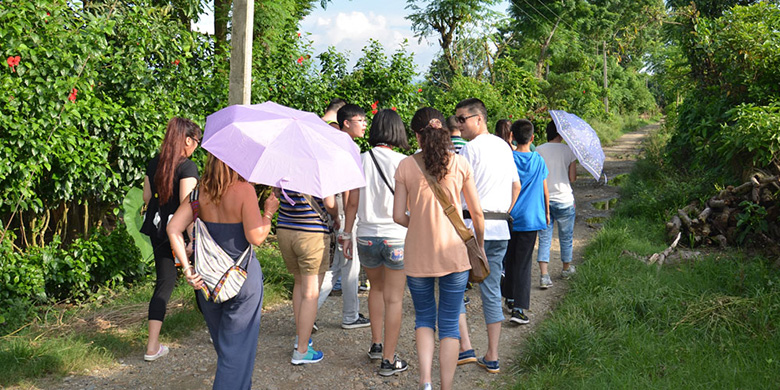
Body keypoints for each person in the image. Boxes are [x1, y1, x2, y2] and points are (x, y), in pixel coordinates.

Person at [167, 153, 279, 389]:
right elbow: (256, 237)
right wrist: (268, 212)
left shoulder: (199, 193)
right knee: (235, 354)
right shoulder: (243, 190)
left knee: (227, 351)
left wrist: (187, 269)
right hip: (242, 278)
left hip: (206, 282)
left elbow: (173, 228)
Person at [393, 107, 484, 390]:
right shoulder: (459, 164)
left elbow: (397, 216)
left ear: (417, 135)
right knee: (448, 323)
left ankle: (425, 382)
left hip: (418, 255)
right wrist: (477, 244)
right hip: (455, 253)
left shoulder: (406, 166)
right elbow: (477, 214)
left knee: (423, 319)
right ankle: (446, 386)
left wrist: (420, 224)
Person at [454, 98, 520, 374]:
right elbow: (516, 186)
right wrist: (503, 212)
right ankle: (492, 355)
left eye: (462, 119)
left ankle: (465, 347)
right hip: (500, 228)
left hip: (470, 229)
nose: (458, 125)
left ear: (478, 119)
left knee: (455, 287)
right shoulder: (504, 147)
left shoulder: (470, 150)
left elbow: (457, 191)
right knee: (491, 290)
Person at [342, 109, 410, 376]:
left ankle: (376, 344)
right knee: (394, 299)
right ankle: (389, 360)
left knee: (375, 289)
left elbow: (352, 203)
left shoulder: (360, 160)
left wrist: (346, 234)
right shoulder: (405, 162)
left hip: (366, 236)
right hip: (396, 237)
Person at [141, 117, 201, 362]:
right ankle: (218, 330)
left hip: (157, 229)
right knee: (202, 277)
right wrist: (190, 240)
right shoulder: (188, 167)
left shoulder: (153, 163)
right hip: (179, 231)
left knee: (164, 284)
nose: (197, 145)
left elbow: (147, 198)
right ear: (187, 140)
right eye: (197, 140)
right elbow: (188, 205)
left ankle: (152, 346)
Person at [317, 104, 371, 330]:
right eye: (360, 120)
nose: (365, 124)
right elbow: (351, 190)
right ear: (346, 123)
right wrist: (348, 226)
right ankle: (350, 315)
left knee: (335, 267)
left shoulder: (329, 144)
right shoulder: (347, 146)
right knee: (349, 266)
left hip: (332, 208)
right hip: (342, 210)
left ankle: (307, 312)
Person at [276, 187, 339, 364]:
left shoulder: (284, 163)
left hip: (285, 228)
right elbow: (329, 202)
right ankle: (302, 351)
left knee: (299, 284)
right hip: (311, 233)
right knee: (311, 293)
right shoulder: (320, 163)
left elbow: (277, 193)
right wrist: (336, 215)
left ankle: (301, 338)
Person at [501, 120, 549, 325]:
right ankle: (518, 309)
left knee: (509, 258)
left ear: (511, 136)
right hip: (530, 219)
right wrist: (547, 212)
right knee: (523, 263)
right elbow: (545, 189)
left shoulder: (507, 159)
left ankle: (510, 297)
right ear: (532, 138)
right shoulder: (539, 160)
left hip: (509, 216)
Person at [535, 120, 578, 288]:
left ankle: (544, 276)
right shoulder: (569, 151)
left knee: (544, 238)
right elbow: (572, 178)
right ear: (560, 133)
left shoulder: (538, 150)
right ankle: (566, 269)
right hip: (565, 199)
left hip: (544, 200)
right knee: (566, 237)